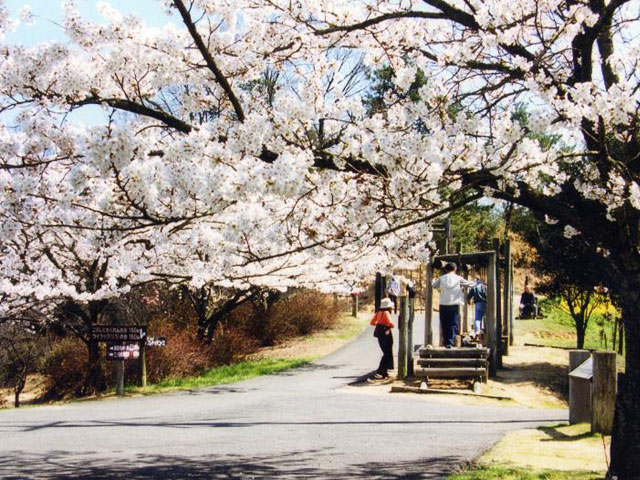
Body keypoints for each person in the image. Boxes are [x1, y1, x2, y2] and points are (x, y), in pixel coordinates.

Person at [432, 263, 475, 348]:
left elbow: (434, 285)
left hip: (443, 304)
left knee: (444, 323)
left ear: (445, 269)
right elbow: (469, 284)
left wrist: (432, 280)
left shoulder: (441, 278)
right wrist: (476, 282)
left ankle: (446, 341)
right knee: (453, 323)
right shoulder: (458, 278)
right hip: (454, 304)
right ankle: (450, 342)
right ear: (455, 269)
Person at [369, 297, 395, 379]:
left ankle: (384, 372)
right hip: (386, 334)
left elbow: (372, 322)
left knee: (385, 352)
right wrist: (390, 325)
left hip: (379, 335)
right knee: (387, 353)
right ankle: (381, 370)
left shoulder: (378, 312)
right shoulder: (386, 313)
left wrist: (379, 323)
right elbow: (390, 323)